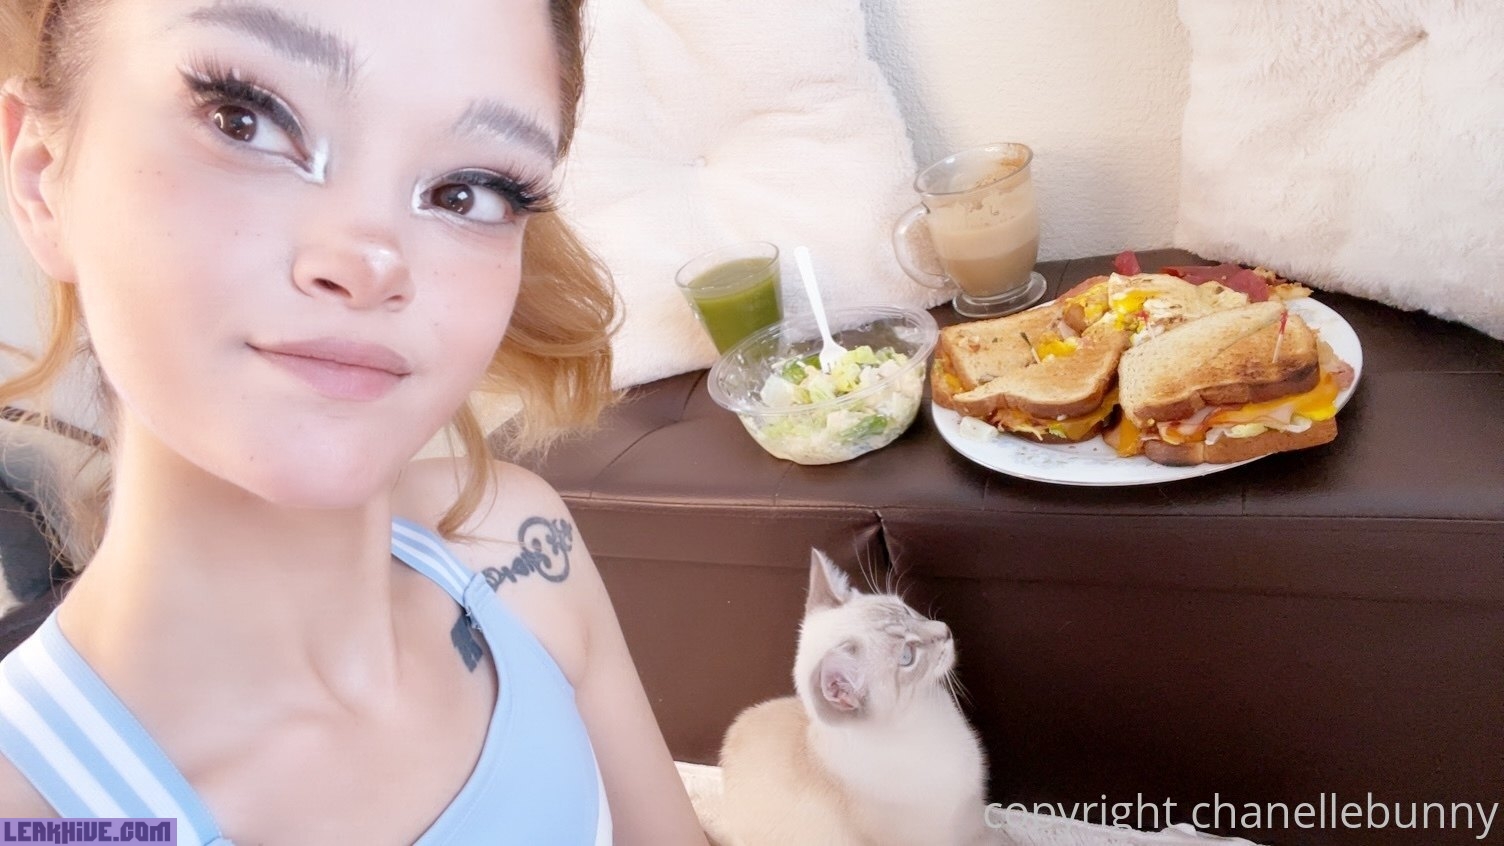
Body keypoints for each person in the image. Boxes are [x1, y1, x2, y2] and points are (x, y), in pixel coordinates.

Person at [0, 0, 711, 842]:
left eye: (469, 192)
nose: (375, 262)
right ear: (43, 177)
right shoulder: (30, 812)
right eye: (245, 121)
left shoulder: (515, 546)